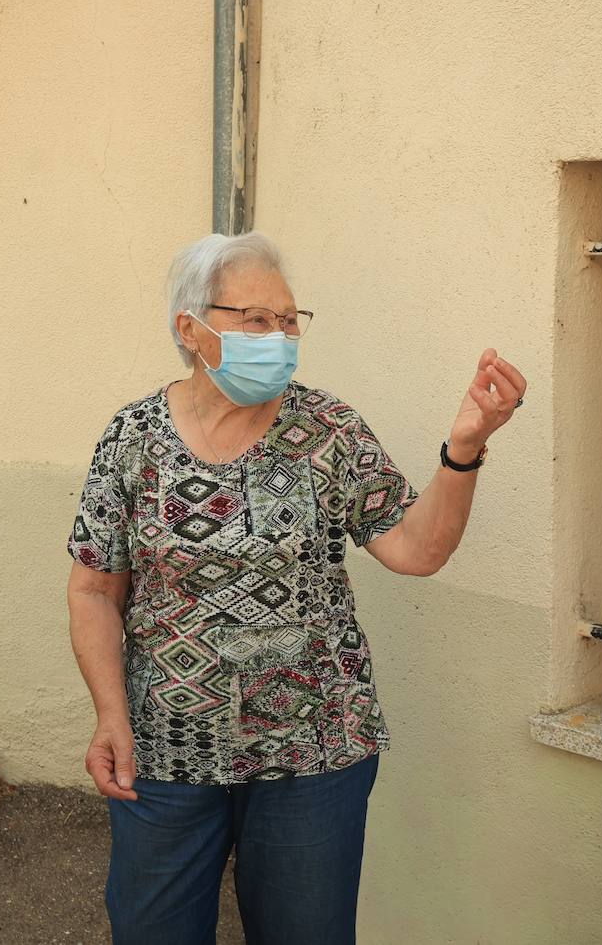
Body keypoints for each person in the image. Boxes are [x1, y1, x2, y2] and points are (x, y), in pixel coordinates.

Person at [66, 231, 526, 945]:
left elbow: (416, 547)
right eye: (257, 319)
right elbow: (95, 590)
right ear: (191, 330)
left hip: (314, 750)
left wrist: (462, 449)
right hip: (165, 749)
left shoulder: (328, 430)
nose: (279, 337)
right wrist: (108, 713)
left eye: (289, 320)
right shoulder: (132, 439)